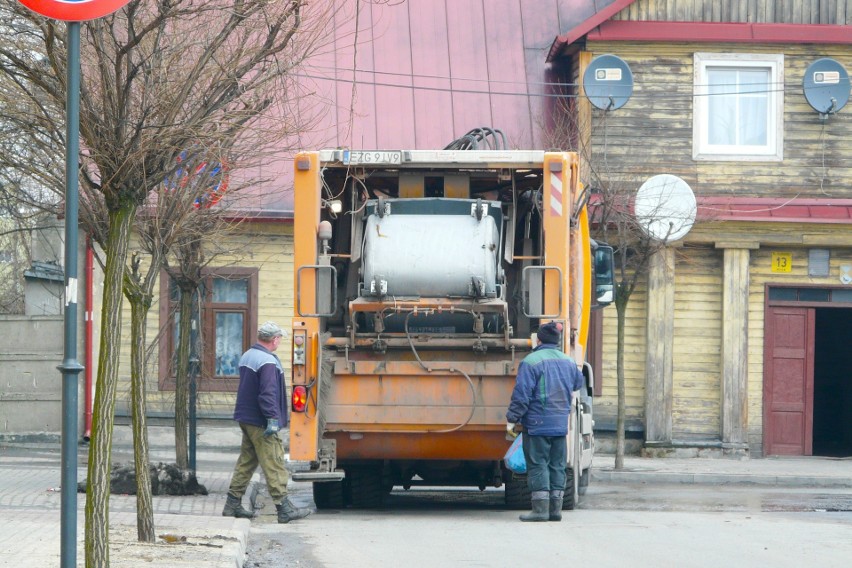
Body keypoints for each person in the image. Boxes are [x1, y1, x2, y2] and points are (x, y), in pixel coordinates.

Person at [222, 321, 311, 523]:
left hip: (246, 418)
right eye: (280, 338)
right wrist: (272, 418)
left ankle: (232, 505)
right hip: (261, 421)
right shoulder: (267, 361)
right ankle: (284, 508)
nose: (280, 341)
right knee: (274, 461)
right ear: (274, 339)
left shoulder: (248, 355)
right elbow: (267, 393)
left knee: (247, 461)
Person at [506, 321, 584, 522]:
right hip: (560, 424)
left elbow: (521, 395)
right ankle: (555, 510)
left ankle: (540, 511)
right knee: (557, 464)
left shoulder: (531, 362)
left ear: (538, 340)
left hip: (537, 424)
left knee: (538, 464)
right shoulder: (568, 361)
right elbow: (578, 383)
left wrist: (512, 419)